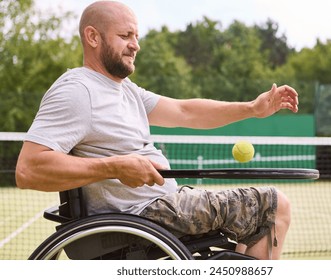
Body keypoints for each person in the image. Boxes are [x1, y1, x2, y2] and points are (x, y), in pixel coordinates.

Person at [15, 0, 299, 260]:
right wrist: (115, 167)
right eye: (125, 36)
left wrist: (252, 109)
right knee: (274, 205)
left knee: (252, 223)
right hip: (142, 218)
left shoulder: (125, 90)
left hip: (160, 208)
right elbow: (29, 170)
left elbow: (185, 111)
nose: (135, 44)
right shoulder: (78, 90)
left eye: (136, 36)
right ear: (93, 37)